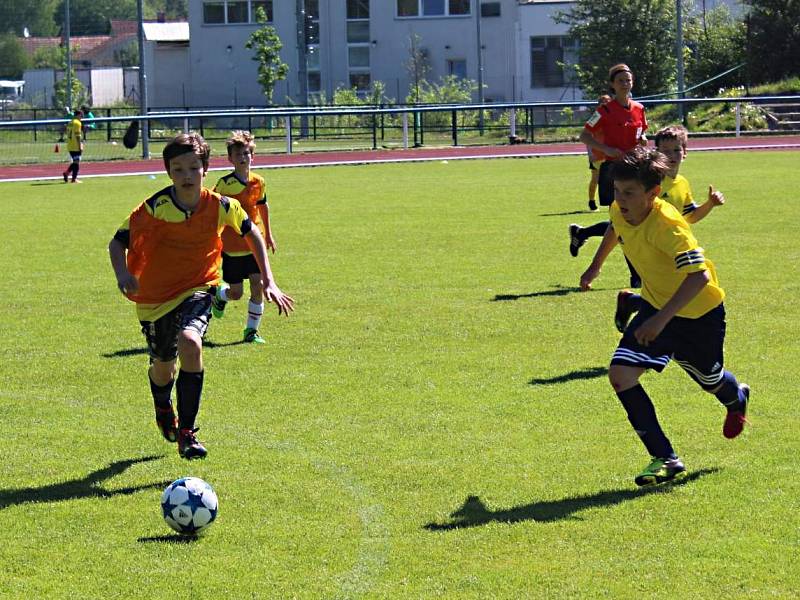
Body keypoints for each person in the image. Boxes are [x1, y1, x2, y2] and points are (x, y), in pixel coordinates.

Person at [108, 132, 294, 460]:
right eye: (178, 169)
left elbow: (253, 234)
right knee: (163, 367)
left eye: (194, 168)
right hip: (154, 298)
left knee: (191, 342)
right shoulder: (156, 207)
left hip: (199, 287)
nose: (187, 176)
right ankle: (163, 404)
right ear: (168, 173)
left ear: (205, 169)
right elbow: (118, 240)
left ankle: (187, 433)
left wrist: (269, 280)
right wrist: (123, 273)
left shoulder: (222, 206)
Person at [579, 147, 749, 487]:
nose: (621, 199)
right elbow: (615, 228)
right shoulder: (619, 210)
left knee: (710, 380)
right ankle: (666, 457)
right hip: (658, 308)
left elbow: (698, 277)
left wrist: (659, 321)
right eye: (617, 191)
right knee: (621, 375)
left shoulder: (669, 226)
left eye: (630, 193)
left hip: (699, 314)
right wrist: (594, 267)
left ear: (653, 193)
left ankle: (737, 397)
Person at [613, 124, 726, 332]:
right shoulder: (648, 180)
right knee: (665, 291)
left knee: (668, 291)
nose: (672, 155)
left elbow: (689, 216)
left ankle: (632, 303)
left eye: (677, 149)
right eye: (665, 151)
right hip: (650, 245)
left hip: (671, 245)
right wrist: (595, 266)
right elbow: (619, 222)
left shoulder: (682, 183)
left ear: (685, 152)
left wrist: (709, 204)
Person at [569, 64, 648, 287]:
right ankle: (635, 275)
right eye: (621, 80)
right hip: (613, 171)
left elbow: (642, 132)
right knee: (624, 221)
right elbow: (584, 135)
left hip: (635, 168)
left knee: (625, 220)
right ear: (613, 85)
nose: (625, 84)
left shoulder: (640, 108)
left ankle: (582, 234)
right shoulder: (603, 111)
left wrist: (642, 141)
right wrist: (607, 149)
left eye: (628, 80)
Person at [210, 131, 277, 344]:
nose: (243, 157)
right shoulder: (224, 184)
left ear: (252, 156)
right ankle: (219, 296)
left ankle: (251, 331)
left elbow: (262, 207)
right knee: (236, 293)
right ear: (230, 158)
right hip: (231, 247)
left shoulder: (259, 182)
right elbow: (212, 209)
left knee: (257, 285)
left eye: (246, 153)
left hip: (253, 246)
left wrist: (268, 234)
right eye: (238, 154)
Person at [62, 109, 83, 183]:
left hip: (70, 145)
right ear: (78, 115)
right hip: (75, 145)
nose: (82, 117)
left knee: (75, 162)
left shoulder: (70, 122)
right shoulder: (77, 123)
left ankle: (67, 173)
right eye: (81, 115)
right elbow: (78, 136)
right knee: (76, 162)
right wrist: (80, 145)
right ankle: (74, 179)